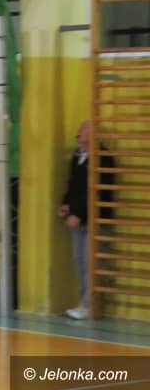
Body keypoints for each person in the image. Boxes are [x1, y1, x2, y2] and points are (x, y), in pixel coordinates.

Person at [58, 121, 115, 320]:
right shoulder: (78, 156)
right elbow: (73, 185)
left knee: (92, 264)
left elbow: (97, 192)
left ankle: (91, 306)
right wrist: (66, 204)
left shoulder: (105, 158)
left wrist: (79, 214)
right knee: (80, 262)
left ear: (94, 135)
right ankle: (84, 303)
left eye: (84, 129)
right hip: (77, 218)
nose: (79, 132)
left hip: (95, 220)